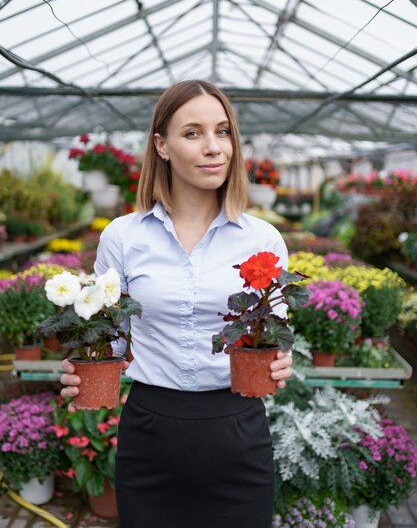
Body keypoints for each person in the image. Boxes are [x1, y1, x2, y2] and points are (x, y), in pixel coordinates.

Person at [60, 80, 293, 528]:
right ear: (161, 145)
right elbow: (108, 339)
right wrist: (81, 370)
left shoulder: (263, 238)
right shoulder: (124, 237)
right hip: (150, 436)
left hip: (237, 431)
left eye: (222, 131)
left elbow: (274, 334)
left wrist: (283, 361)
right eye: (193, 133)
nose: (213, 148)